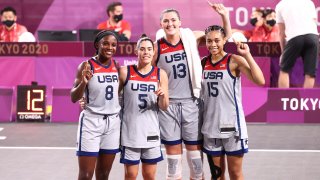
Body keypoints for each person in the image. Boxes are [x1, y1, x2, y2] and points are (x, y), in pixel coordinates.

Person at [153, 2, 231, 179]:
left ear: (180, 22)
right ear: (161, 24)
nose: (170, 24)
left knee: (196, 163)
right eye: (166, 21)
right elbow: (147, 73)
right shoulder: (157, 46)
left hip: (191, 103)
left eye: (173, 20)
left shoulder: (191, 37)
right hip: (169, 106)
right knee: (173, 163)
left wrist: (224, 16)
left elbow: (224, 37)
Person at [201, 25, 265, 180]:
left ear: (224, 40)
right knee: (216, 175)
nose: (213, 44)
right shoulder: (202, 63)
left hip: (232, 127)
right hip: (210, 128)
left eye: (217, 40)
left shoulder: (234, 60)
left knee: (235, 173)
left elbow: (260, 80)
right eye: (209, 41)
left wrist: (247, 55)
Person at [70, 30, 121, 180]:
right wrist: (83, 84)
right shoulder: (86, 65)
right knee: (86, 175)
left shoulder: (117, 66)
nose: (110, 47)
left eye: (113, 44)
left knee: (104, 175)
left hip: (112, 123)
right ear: (97, 45)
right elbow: (73, 97)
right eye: (105, 43)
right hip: (92, 122)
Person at [118, 34, 169, 180]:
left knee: (149, 176)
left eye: (149, 49)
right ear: (136, 51)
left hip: (151, 132)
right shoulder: (125, 72)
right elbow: (112, 97)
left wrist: (162, 95)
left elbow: (164, 106)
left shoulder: (160, 74)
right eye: (142, 49)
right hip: (130, 132)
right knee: (131, 175)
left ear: (153, 52)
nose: (146, 52)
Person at [276, 0, 319, 88]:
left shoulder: (280, 5)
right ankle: (306, 99)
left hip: (295, 37)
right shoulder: (309, 2)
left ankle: (283, 98)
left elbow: (281, 32)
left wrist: (283, 53)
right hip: (313, 37)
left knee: (284, 70)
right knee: (310, 73)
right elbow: (314, 24)